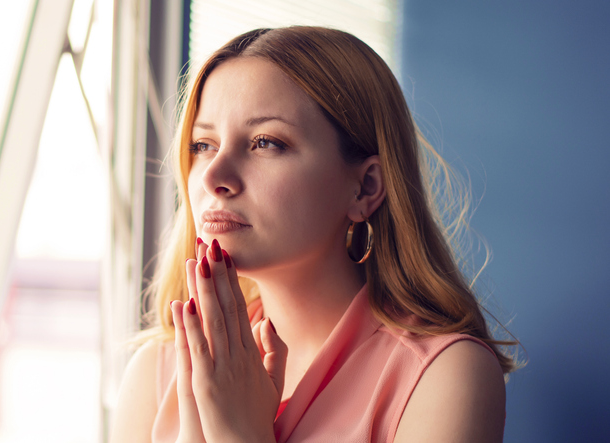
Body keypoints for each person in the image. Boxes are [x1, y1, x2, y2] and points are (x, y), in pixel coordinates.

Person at [110, 26, 516, 442]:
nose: (214, 176)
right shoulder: (155, 372)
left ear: (366, 187)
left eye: (265, 142)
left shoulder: (445, 375)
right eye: (203, 145)